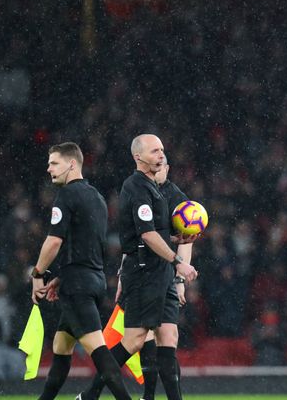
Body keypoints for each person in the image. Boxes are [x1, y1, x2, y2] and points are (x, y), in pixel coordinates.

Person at [78, 134, 198, 400]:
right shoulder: (136, 187)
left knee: (169, 336)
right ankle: (90, 394)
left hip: (162, 273)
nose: (161, 155)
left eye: (162, 150)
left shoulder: (161, 191)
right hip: (144, 273)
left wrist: (176, 243)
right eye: (155, 151)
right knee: (134, 340)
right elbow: (144, 235)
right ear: (138, 156)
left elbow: (157, 234)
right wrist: (178, 263)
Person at [30, 142, 132, 400]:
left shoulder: (66, 195)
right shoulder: (97, 198)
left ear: (72, 164)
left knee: (100, 353)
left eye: (54, 163)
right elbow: (89, 246)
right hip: (93, 280)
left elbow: (54, 242)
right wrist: (62, 276)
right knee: (61, 347)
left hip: (77, 286)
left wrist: (38, 274)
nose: (49, 168)